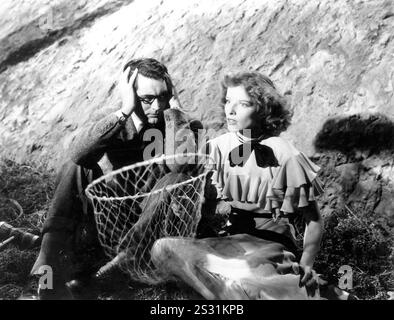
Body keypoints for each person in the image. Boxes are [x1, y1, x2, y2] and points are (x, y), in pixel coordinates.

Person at [151, 71, 353, 300]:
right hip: (233, 241)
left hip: (272, 245)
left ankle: (306, 288)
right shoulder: (219, 146)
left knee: (249, 287)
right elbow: (179, 166)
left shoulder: (285, 154)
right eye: (228, 101)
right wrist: (174, 110)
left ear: (264, 110)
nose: (231, 110)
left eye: (243, 104)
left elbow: (314, 220)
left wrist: (306, 263)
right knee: (164, 249)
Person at [29, 58, 182, 299]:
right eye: (147, 99)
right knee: (75, 166)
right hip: (109, 220)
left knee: (172, 178)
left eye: (163, 96)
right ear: (130, 94)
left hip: (153, 224)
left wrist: (174, 112)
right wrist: (125, 111)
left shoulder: (177, 122)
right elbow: (78, 154)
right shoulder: (114, 120)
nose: (157, 106)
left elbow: (183, 163)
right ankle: (48, 261)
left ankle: (111, 270)